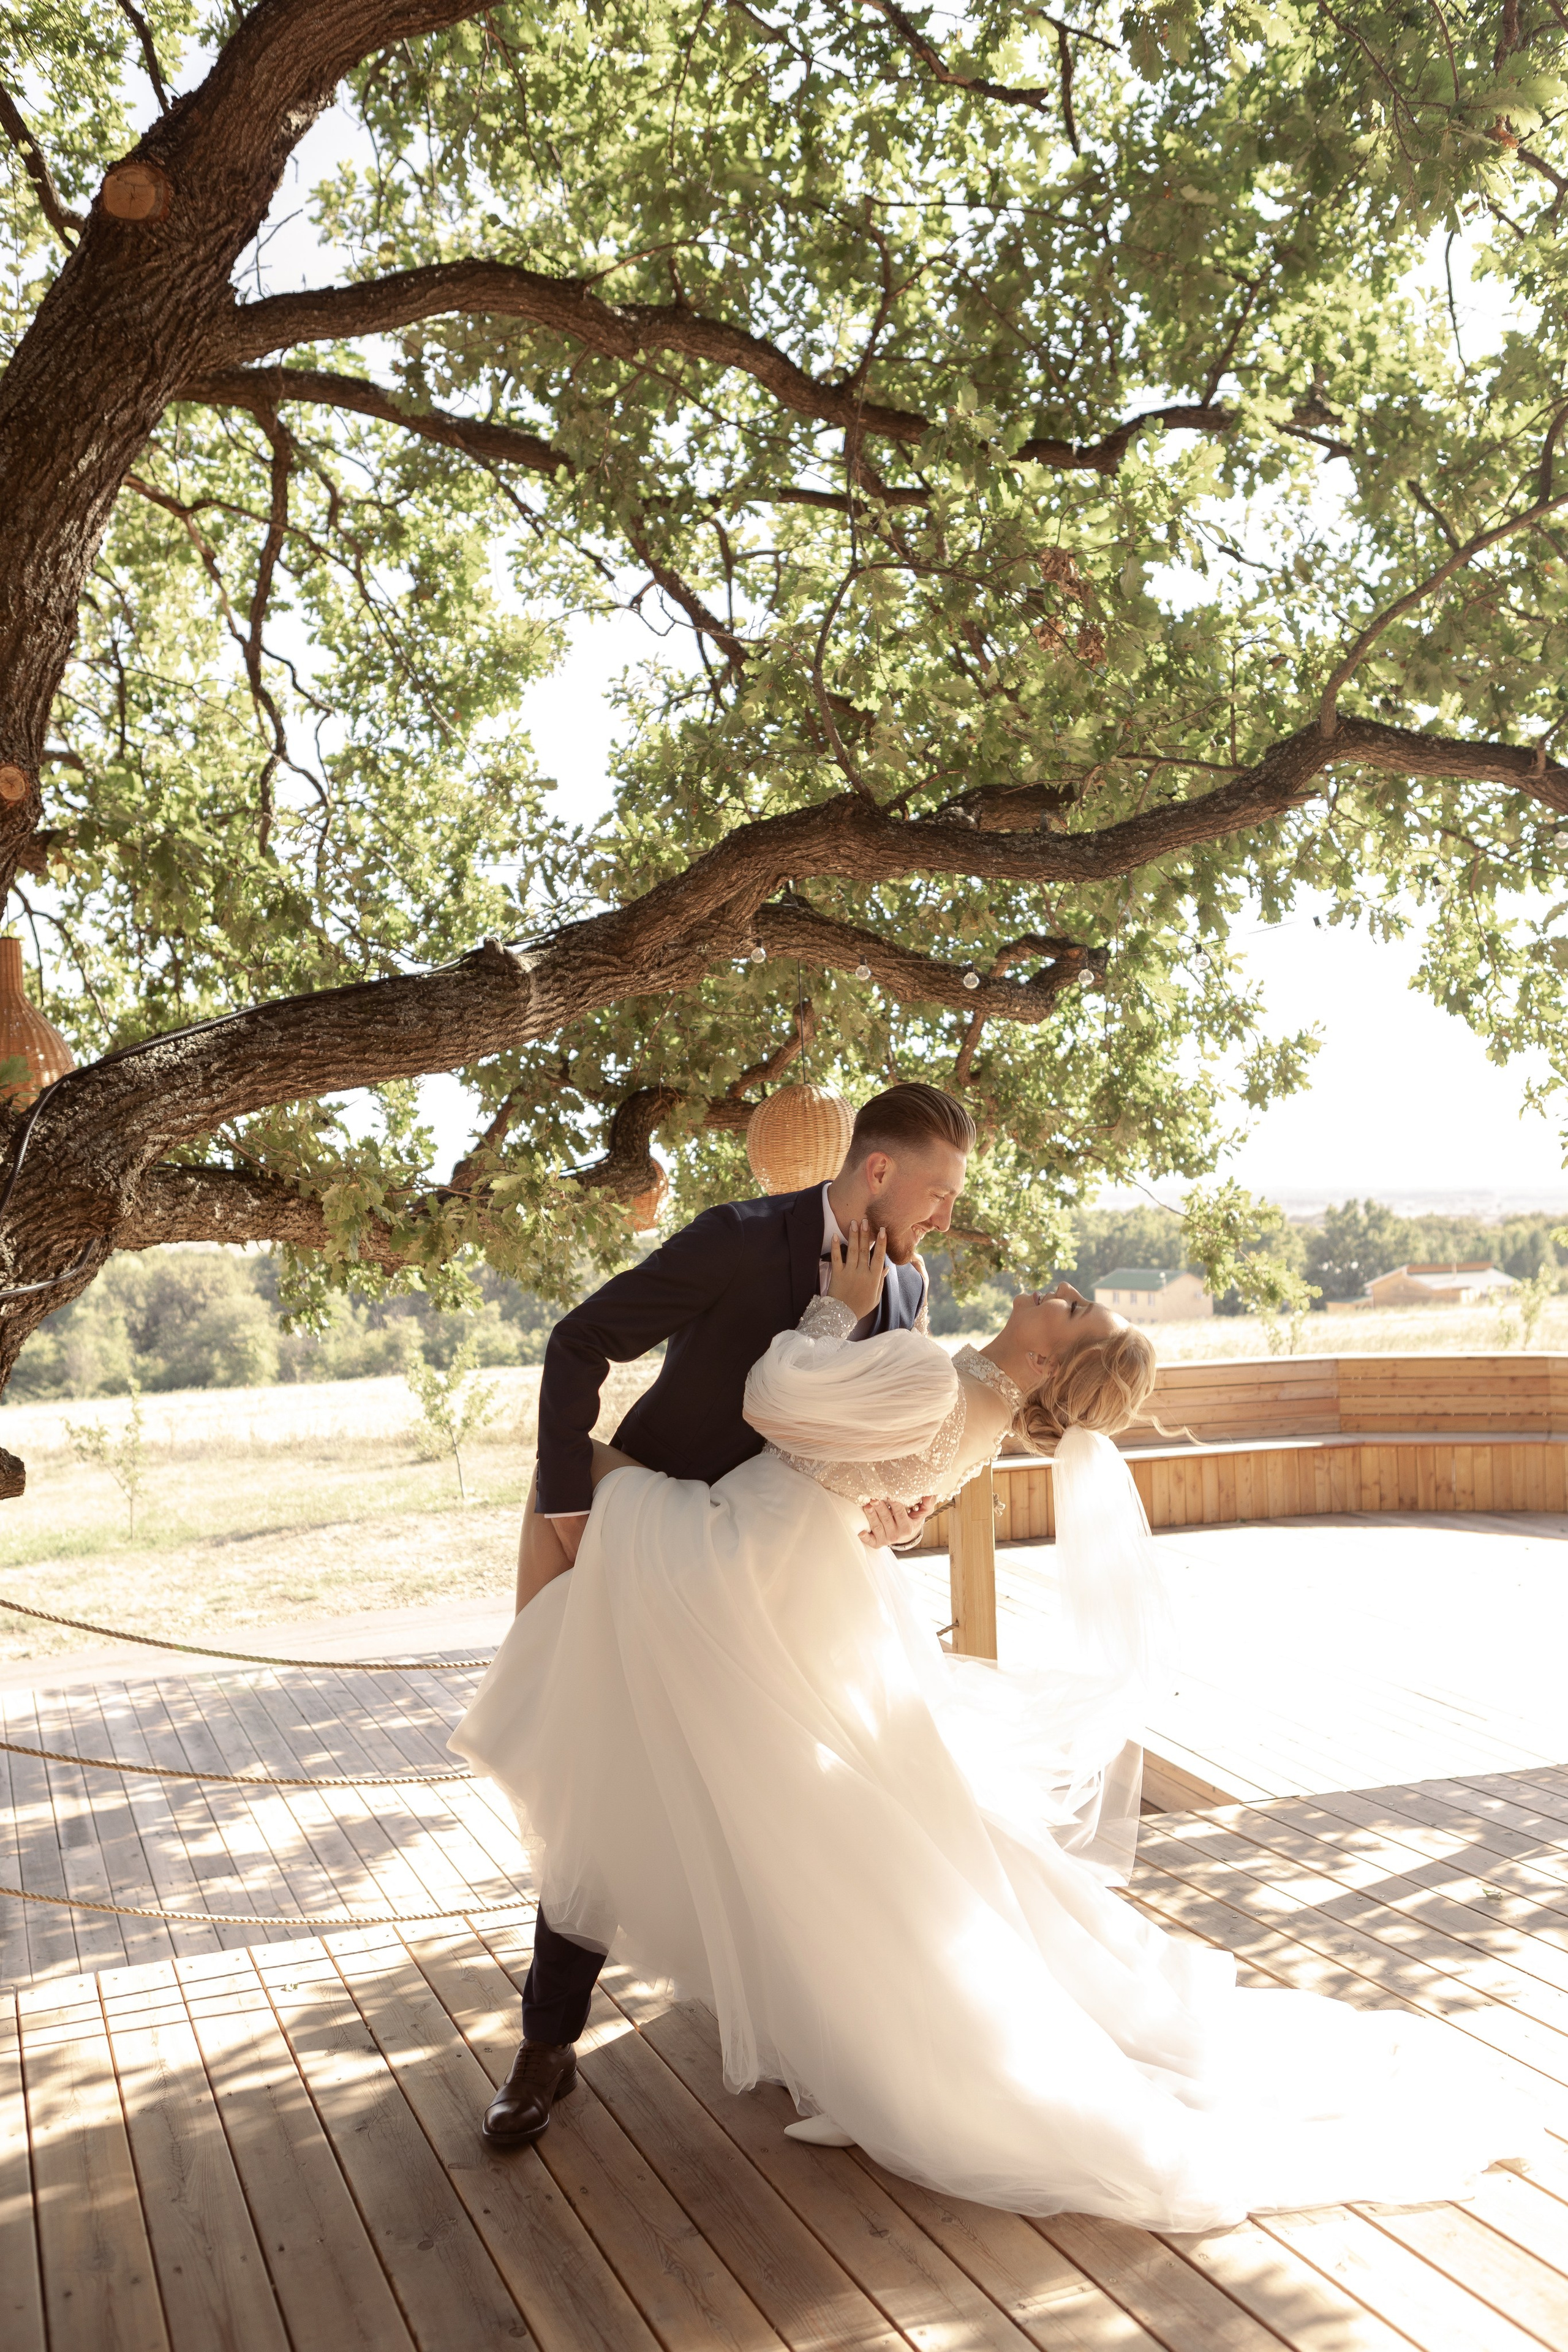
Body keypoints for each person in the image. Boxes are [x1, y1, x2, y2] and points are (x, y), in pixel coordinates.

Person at [453, 1215, 1532, 2225]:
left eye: (1074, 1309)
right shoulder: (971, 1388)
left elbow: (789, 1407)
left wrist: (837, 1316)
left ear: (1052, 1363)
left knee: (581, 1505)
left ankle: (539, 1675)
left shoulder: (946, 1375)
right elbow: (878, 1481)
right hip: (795, 1572)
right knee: (816, 1822)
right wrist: (888, 1501)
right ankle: (552, 1701)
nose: (1059, 1289)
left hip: (754, 1556)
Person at [480, 1080, 976, 2145]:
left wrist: (893, 1512)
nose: (946, 1215)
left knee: (791, 1807)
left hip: (778, 1585)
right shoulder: (740, 1239)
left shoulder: (905, 1289)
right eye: (938, 1192)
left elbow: (854, 1452)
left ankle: (822, 2045)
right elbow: (578, 1341)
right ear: (878, 1171)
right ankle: (545, 2049)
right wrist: (568, 1499)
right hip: (655, 1547)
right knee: (604, 1789)